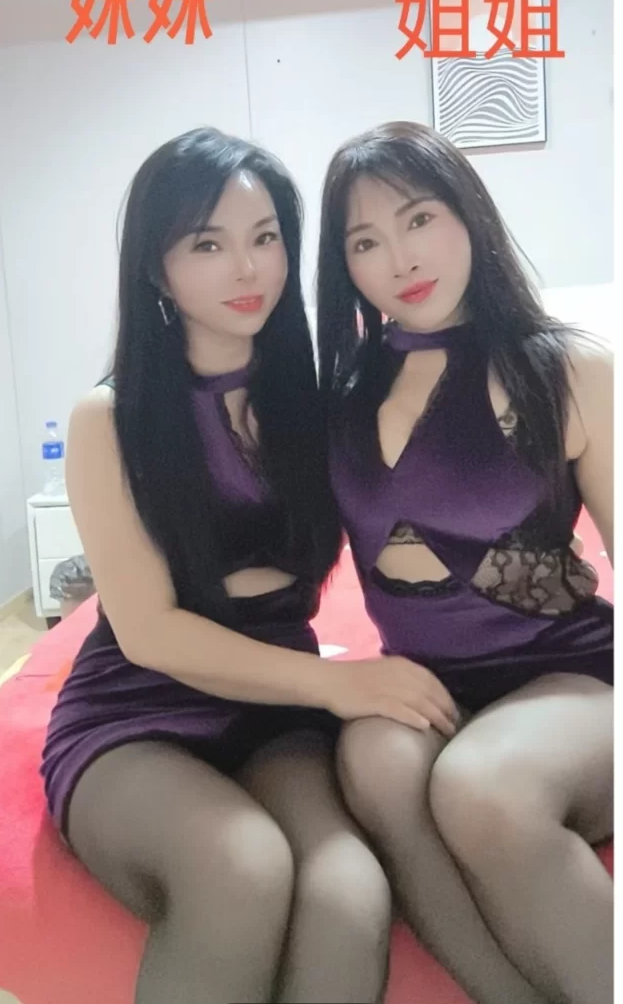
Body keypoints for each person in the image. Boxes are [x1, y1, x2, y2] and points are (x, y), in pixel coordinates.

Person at [40, 126, 442, 1004]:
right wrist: (340, 683)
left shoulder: (316, 402)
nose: (247, 268)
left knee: (349, 888)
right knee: (242, 865)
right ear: (156, 268)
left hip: (274, 711)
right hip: (137, 711)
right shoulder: (109, 418)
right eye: (207, 244)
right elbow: (148, 632)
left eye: (265, 238)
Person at [317, 121, 613, 1004]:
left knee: (480, 785)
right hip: (427, 683)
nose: (399, 258)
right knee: (372, 760)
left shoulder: (567, 369)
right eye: (364, 241)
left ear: (467, 216)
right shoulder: (342, 394)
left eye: (418, 219)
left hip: (569, 679)